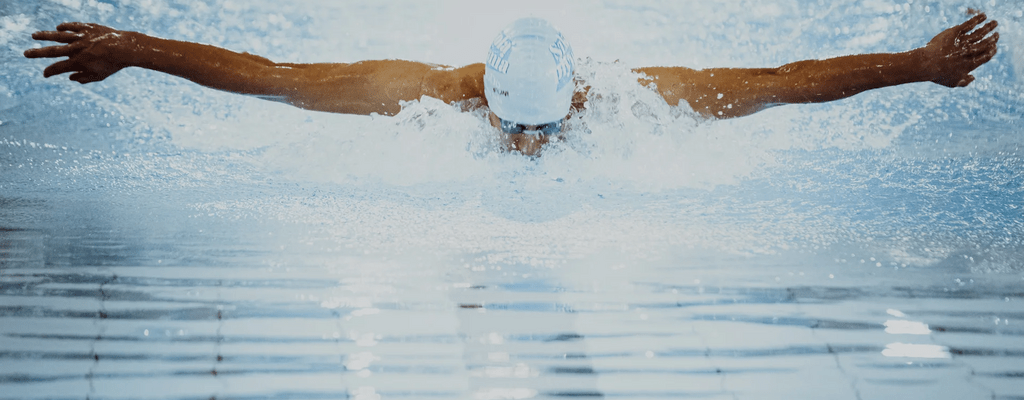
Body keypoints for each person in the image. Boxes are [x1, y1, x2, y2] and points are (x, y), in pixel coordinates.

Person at [24, 13, 999, 156]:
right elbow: (269, 79)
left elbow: (789, 82)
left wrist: (916, 65)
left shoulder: (636, 91)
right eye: (512, 123)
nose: (526, 146)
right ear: (478, 95)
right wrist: (133, 46)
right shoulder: (409, 89)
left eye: (544, 124)